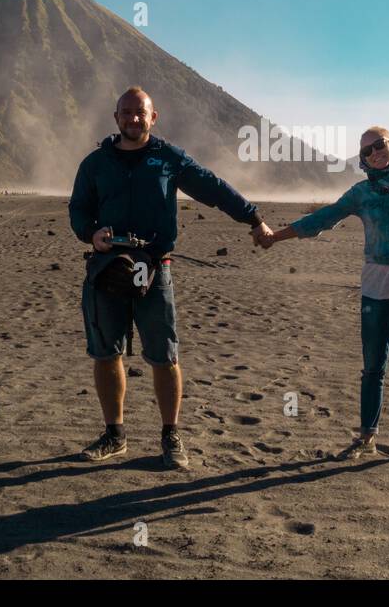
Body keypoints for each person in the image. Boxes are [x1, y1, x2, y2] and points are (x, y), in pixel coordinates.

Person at [68, 87, 274, 469]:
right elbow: (78, 209)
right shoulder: (95, 163)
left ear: (153, 117)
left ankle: (171, 435)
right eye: (125, 113)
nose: (133, 119)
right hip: (105, 269)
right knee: (105, 353)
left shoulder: (168, 159)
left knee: (164, 355)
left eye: (139, 113)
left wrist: (253, 217)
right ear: (116, 118)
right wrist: (90, 233)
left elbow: (213, 189)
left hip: (155, 269)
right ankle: (114, 435)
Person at [258, 127, 389, 461]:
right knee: (373, 367)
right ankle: (367, 437)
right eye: (366, 151)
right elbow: (323, 218)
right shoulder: (361, 193)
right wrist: (277, 236)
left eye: (379, 145)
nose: (375, 153)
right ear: (363, 160)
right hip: (376, 288)